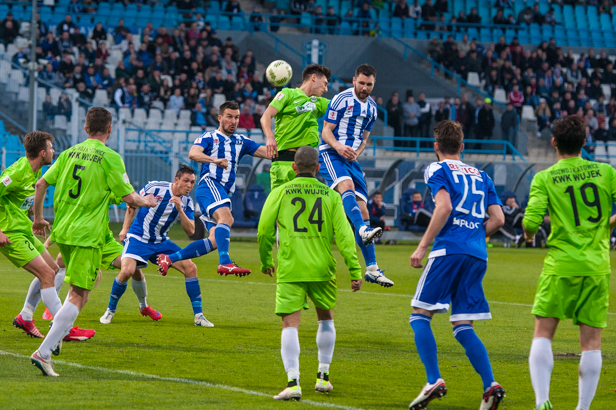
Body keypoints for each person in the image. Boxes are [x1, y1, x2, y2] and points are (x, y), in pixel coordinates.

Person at [30, 107, 157, 376]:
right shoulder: (110, 157)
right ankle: (45, 351)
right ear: (110, 130)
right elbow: (131, 198)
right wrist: (147, 200)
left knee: (125, 264)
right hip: (85, 234)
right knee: (79, 293)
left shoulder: (67, 153)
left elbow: (41, 184)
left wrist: (39, 218)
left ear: (86, 129)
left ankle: (59, 327)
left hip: (79, 232)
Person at [408, 120, 506, 410]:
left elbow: (444, 206)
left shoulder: (437, 168)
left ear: (435, 147)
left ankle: (433, 379)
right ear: (462, 146)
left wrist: (423, 245)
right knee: (462, 323)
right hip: (478, 253)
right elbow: (499, 219)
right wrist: (475, 236)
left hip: (449, 249)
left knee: (420, 313)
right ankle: (490, 385)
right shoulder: (482, 174)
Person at [523, 115, 616, 410]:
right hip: (596, 266)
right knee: (591, 343)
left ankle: (542, 401)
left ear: (554, 143)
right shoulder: (605, 172)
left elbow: (530, 222)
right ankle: (582, 408)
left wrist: (528, 234)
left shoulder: (545, 178)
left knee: (543, 332)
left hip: (561, 265)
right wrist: (607, 225)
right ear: (584, 143)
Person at [257, 146, 362, 401]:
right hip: (322, 267)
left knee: (289, 323)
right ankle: (323, 377)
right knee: (326, 318)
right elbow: (345, 236)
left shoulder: (280, 192)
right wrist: (355, 268)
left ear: (293, 167)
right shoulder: (331, 195)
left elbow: (264, 230)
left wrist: (265, 260)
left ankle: (293, 382)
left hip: (291, 266)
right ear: (318, 168)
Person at [157, 102, 270, 277]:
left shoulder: (241, 141)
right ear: (220, 118)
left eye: (237, 117)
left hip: (221, 192)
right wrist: (215, 160)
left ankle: (169, 258)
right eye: (229, 116)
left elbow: (268, 152)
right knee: (227, 218)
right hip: (210, 184)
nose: (233, 121)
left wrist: (293, 152)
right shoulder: (209, 137)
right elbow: (193, 153)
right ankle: (225, 262)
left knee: (215, 240)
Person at [3, 132, 91, 342]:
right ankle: (64, 328)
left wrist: (35, 215)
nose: (54, 151)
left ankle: (25, 316)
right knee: (47, 275)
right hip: (11, 233)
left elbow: (15, 200)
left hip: (23, 229)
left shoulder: (35, 171)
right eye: (51, 148)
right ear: (42, 153)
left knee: (53, 269)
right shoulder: (16, 171)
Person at [99, 166, 213, 327]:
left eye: (192, 182)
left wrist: (180, 209)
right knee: (127, 271)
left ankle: (199, 316)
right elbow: (132, 203)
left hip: (161, 242)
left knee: (190, 268)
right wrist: (125, 229)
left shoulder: (187, 201)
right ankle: (110, 310)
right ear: (176, 180)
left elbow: (191, 230)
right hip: (139, 238)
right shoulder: (155, 187)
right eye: (186, 181)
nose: (189, 185)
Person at [318, 64, 393, 287]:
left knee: (363, 209)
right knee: (347, 188)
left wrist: (357, 153)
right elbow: (326, 132)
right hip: (331, 153)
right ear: (354, 80)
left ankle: (372, 268)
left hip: (351, 160)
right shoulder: (341, 100)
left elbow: (365, 135)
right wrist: (340, 148)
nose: (365, 87)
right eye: (361, 83)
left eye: (369, 84)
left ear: (373, 84)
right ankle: (361, 229)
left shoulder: (372, 108)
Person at [260, 64, 331, 191]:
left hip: (306, 165)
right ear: (314, 77)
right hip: (283, 163)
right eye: (325, 83)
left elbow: (343, 105)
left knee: (305, 209)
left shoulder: (319, 102)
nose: (325, 89)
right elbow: (265, 116)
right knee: (282, 208)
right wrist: (270, 137)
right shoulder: (287, 94)